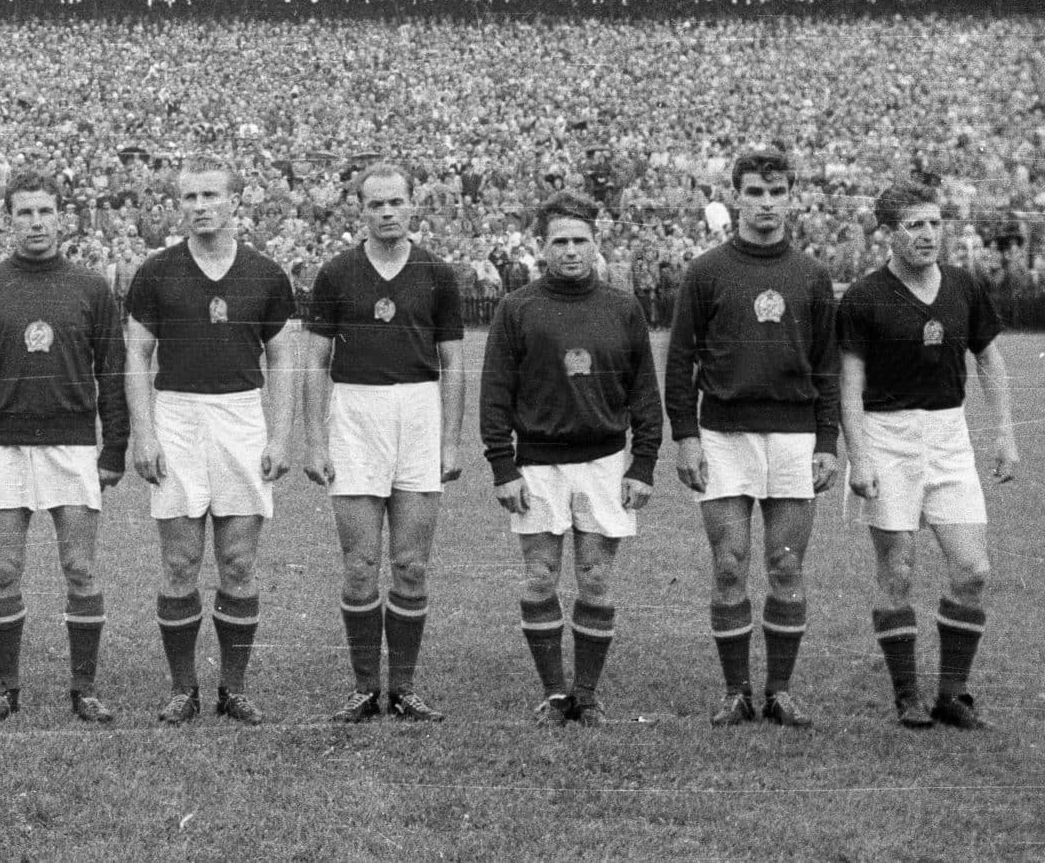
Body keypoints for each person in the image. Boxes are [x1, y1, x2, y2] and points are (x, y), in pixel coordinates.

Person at [664, 147, 840, 729]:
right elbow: (680, 358)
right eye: (755, 193)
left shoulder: (811, 276)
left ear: (792, 197)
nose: (766, 204)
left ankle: (780, 690)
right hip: (723, 434)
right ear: (736, 196)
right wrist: (685, 436)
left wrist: (826, 443)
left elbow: (827, 367)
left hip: (793, 436)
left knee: (786, 565)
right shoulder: (706, 271)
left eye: (777, 192)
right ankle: (736, 691)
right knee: (730, 564)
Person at [838, 182, 1019, 729]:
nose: (928, 235)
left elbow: (989, 362)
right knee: (898, 572)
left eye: (935, 224)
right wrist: (861, 456)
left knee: (973, 568)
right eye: (914, 225)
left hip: (949, 436)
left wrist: (1005, 433)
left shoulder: (964, 286)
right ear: (888, 234)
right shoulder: (865, 297)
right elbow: (848, 386)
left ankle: (953, 694)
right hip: (887, 436)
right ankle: (907, 695)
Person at [0, 170, 128, 725]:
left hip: (72, 447)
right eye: (24, 213)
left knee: (80, 567)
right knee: (5, 570)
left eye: (45, 212)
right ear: (9, 220)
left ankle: (84, 689)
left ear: (62, 217)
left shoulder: (91, 286)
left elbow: (113, 373)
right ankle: (6, 688)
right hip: (4, 446)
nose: (35, 223)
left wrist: (114, 448)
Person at [124, 156, 296, 725]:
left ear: (234, 202)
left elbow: (284, 359)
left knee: (239, 561)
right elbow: (136, 356)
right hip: (176, 412)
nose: (199, 206)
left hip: (241, 416)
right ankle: (183, 688)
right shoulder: (156, 272)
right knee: (179, 561)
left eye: (210, 196)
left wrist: (281, 433)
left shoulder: (266, 274)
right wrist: (143, 433)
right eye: (190, 197)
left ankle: (234, 688)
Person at [480, 192, 661, 726]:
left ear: (596, 244)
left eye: (581, 240)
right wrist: (502, 466)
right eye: (560, 241)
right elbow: (495, 393)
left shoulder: (623, 307)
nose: (571, 250)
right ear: (542, 247)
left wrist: (643, 464)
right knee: (540, 577)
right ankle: (555, 693)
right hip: (536, 463)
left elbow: (644, 394)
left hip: (605, 460)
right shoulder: (517, 308)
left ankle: (587, 693)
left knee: (597, 578)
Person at [301, 163, 466, 723]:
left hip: (418, 414)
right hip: (355, 415)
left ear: (413, 205)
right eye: (376, 205)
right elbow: (315, 363)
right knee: (359, 563)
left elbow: (453, 365)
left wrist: (450, 442)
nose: (387, 212)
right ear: (361, 211)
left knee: (411, 564)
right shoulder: (337, 273)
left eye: (397, 202)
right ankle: (365, 686)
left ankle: (406, 687)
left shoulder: (438, 274)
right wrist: (315, 442)